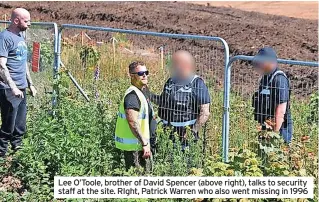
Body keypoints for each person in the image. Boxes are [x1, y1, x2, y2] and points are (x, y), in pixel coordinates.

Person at [150, 50, 211, 149]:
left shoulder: (197, 83)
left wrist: (192, 132)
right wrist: (148, 95)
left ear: (183, 65)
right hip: (166, 135)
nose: (171, 67)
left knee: (184, 162)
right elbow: (162, 102)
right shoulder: (170, 81)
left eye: (173, 64)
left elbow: (205, 113)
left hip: (185, 138)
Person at [0, 8, 37, 157]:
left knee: (20, 125)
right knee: (8, 125)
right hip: (9, 89)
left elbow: (23, 63)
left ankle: (17, 153)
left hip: (21, 88)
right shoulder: (5, 37)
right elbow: (1, 65)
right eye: (26, 21)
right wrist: (13, 87)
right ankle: (1, 156)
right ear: (16, 21)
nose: (29, 24)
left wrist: (30, 84)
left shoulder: (20, 36)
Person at [114, 61, 156, 171]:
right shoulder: (132, 95)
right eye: (141, 73)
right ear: (132, 76)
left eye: (146, 72)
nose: (144, 75)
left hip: (140, 146)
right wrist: (145, 143)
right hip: (136, 148)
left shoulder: (141, 91)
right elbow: (133, 122)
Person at [252, 47, 293, 143]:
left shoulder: (279, 79)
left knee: (278, 155)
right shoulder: (265, 78)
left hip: (279, 130)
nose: (258, 65)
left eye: (261, 62)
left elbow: (281, 110)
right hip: (265, 128)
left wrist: (274, 135)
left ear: (269, 62)